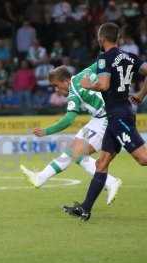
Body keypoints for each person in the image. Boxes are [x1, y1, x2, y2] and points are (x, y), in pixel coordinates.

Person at [63, 22, 147, 221]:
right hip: (119, 115)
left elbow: (104, 84)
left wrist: (88, 85)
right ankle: (85, 208)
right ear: (116, 38)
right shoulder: (129, 57)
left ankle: (85, 208)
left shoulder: (104, 58)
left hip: (118, 117)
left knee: (143, 158)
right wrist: (141, 94)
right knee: (102, 163)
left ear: (101, 39)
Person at [21, 64, 122, 205]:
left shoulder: (73, 92)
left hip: (107, 119)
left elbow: (68, 119)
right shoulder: (83, 73)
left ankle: (111, 181)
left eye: (56, 85)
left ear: (65, 81)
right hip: (100, 118)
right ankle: (41, 178)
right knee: (72, 152)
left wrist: (46, 131)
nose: (57, 89)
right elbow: (101, 61)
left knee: (77, 154)